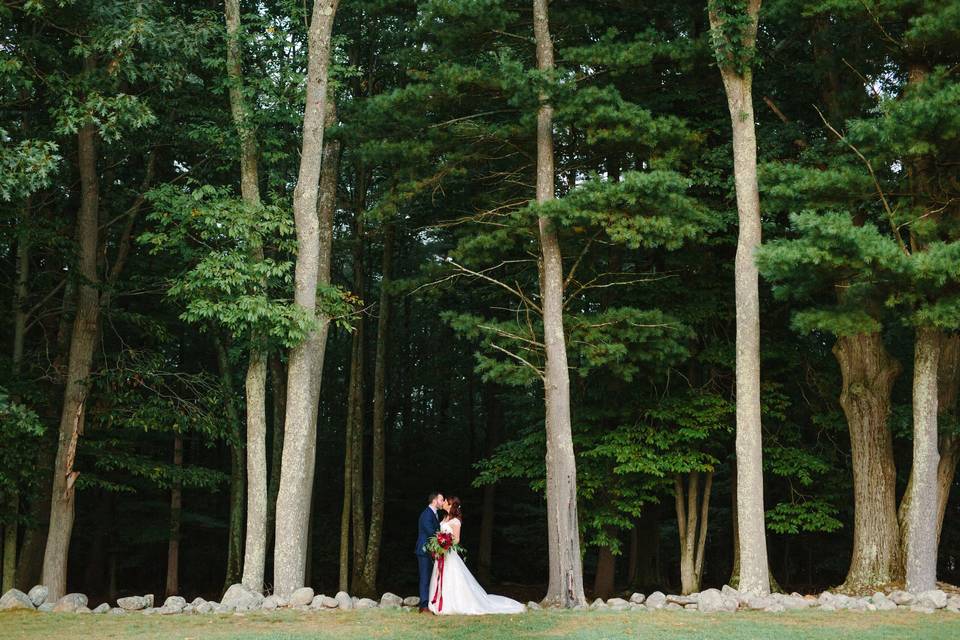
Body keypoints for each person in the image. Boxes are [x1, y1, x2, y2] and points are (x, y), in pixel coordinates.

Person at [427, 496, 526, 615]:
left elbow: (457, 539)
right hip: (441, 554)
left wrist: (445, 545)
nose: (444, 503)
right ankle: (439, 603)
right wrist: (438, 545)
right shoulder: (444, 517)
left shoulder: (456, 521)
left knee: (452, 577)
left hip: (449, 553)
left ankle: (453, 604)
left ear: (451, 505)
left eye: (446, 502)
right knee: (440, 576)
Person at [415, 492, 443, 612]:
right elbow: (431, 532)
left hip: (432, 551)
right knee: (425, 577)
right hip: (424, 550)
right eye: (441, 500)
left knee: (431, 577)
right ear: (434, 500)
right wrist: (444, 539)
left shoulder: (434, 514)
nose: (442, 503)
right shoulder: (427, 514)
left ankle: (430, 603)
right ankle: (424, 606)